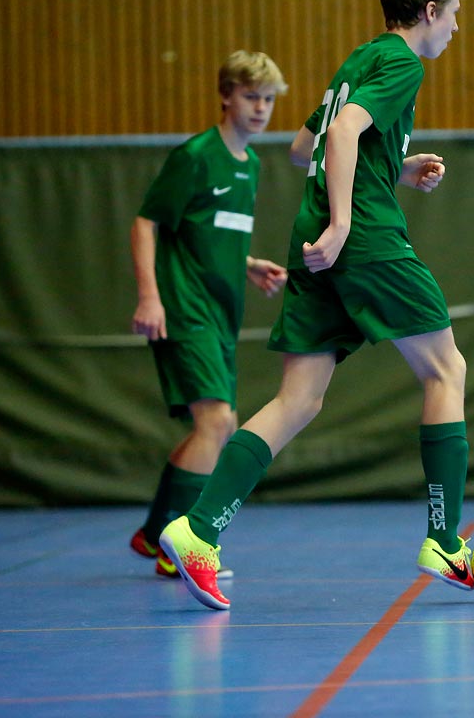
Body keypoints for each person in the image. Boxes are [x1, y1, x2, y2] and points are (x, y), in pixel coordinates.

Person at [159, 0, 470, 610]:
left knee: (299, 400)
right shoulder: (402, 63)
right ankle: (444, 539)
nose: (455, 31)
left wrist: (397, 168)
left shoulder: (359, 59)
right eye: (455, 17)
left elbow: (307, 146)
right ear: (432, 11)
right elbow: (345, 135)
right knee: (447, 371)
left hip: (316, 244)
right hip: (362, 242)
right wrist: (344, 224)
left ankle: (198, 530)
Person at [128, 50, 290, 580]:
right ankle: (180, 547)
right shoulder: (196, 156)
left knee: (220, 427)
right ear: (226, 96)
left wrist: (246, 265)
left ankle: (155, 533)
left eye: (268, 99)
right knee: (217, 421)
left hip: (223, 314)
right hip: (184, 308)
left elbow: (208, 231)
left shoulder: (252, 165)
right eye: (251, 96)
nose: (261, 108)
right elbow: (147, 224)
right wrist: (150, 297)